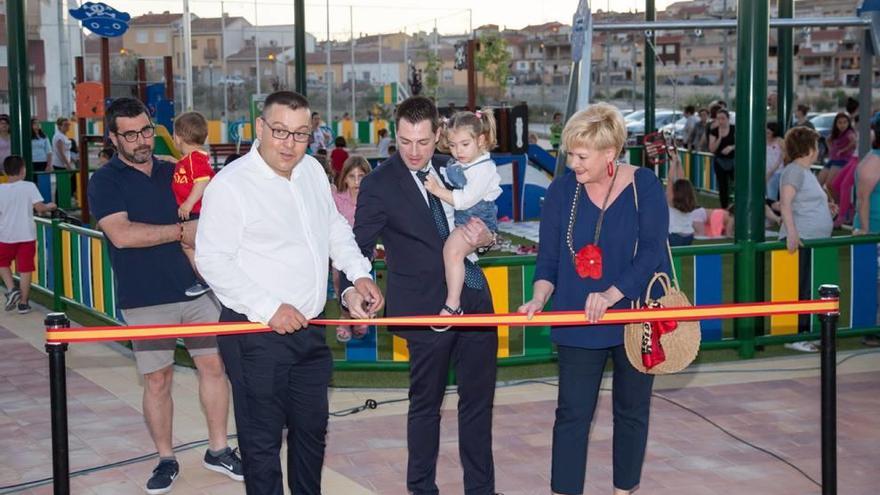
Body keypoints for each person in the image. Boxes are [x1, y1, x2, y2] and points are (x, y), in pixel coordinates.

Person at [195, 90, 383, 495]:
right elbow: (213, 261)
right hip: (255, 335)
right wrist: (268, 308)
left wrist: (357, 277)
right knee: (261, 446)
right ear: (260, 128)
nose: (289, 144)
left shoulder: (313, 172)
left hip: (310, 331)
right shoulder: (230, 186)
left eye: (300, 134)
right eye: (280, 131)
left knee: (311, 435)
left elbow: (333, 229)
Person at [343, 96, 499, 495]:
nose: (414, 152)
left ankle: (481, 490)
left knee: (478, 405)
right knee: (425, 407)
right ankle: (421, 489)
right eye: (405, 141)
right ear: (396, 134)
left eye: (424, 142)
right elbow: (355, 246)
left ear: (439, 136)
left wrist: (489, 237)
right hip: (424, 313)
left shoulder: (457, 167)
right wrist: (352, 289)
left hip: (477, 302)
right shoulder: (378, 183)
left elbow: (484, 226)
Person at [87, 97, 242, 495]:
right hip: (145, 297)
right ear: (113, 137)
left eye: (145, 130)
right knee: (157, 379)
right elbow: (121, 235)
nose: (141, 140)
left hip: (195, 290)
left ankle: (219, 448)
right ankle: (165, 458)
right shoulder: (105, 181)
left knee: (213, 368)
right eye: (131, 133)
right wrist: (179, 233)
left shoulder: (176, 170)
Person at [518, 102, 669, 495]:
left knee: (632, 411)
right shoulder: (561, 190)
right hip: (577, 321)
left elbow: (652, 250)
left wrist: (612, 294)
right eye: (570, 153)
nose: (573, 163)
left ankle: (625, 489)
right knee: (572, 414)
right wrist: (538, 298)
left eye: (581, 156)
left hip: (633, 315)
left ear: (610, 154)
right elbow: (548, 257)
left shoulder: (644, 186)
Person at [422, 110, 502, 323]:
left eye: (464, 144)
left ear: (481, 140)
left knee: (452, 251)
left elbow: (465, 200)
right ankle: (454, 302)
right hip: (467, 217)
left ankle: (453, 304)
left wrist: (437, 190)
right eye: (453, 145)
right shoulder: (466, 163)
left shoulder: (483, 168)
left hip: (476, 217)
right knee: (453, 253)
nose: (457, 151)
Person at [778, 127, 835, 353]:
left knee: (810, 287)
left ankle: (806, 332)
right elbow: (785, 203)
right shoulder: (794, 171)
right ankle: (797, 335)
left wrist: (827, 209)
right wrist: (792, 232)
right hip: (803, 241)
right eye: (816, 145)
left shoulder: (805, 172)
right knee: (801, 288)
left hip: (813, 239)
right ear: (809, 148)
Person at [0, 155, 56, 314]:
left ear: (5, 171)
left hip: (5, 235)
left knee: (2, 262)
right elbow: (40, 208)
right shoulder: (29, 186)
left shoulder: (0, 189)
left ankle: (12, 289)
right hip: (26, 235)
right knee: (25, 269)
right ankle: (24, 303)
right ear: (23, 170)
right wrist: (50, 206)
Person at [172, 111, 215, 298]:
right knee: (190, 246)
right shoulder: (190, 160)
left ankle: (206, 279)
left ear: (179, 138)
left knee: (190, 246)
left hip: (196, 212)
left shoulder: (195, 158)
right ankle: (204, 278)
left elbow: (202, 181)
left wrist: (188, 204)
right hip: (194, 212)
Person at [331, 155, 373, 342]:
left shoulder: (373, 200)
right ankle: (345, 315)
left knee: (363, 277)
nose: (356, 181)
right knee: (338, 279)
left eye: (361, 176)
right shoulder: (337, 198)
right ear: (344, 178)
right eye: (351, 176)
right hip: (340, 252)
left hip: (364, 250)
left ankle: (361, 313)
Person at [853, 122, 880, 346]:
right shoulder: (874, 161)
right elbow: (863, 198)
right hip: (874, 231)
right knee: (874, 284)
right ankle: (871, 330)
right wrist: (865, 230)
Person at [666, 152, 703, 246]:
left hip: (674, 237)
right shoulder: (690, 200)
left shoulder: (671, 200)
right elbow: (682, 179)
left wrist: (674, 162)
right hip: (688, 237)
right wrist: (678, 161)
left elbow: (670, 179)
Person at [819, 112, 856, 189]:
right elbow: (827, 139)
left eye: (845, 122)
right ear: (836, 124)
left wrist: (843, 150)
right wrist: (830, 150)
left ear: (848, 123)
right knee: (819, 182)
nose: (842, 125)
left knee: (829, 184)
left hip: (842, 160)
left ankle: (837, 201)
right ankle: (829, 200)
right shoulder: (836, 133)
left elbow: (854, 142)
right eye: (839, 123)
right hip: (832, 160)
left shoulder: (849, 132)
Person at [708, 109, 735, 209]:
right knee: (723, 187)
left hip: (733, 160)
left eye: (723, 118)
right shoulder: (714, 131)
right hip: (720, 161)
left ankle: (737, 205)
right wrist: (719, 138)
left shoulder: (734, 129)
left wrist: (731, 147)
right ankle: (724, 208)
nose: (721, 121)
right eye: (718, 118)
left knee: (738, 184)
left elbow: (741, 143)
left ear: (728, 119)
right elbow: (712, 149)